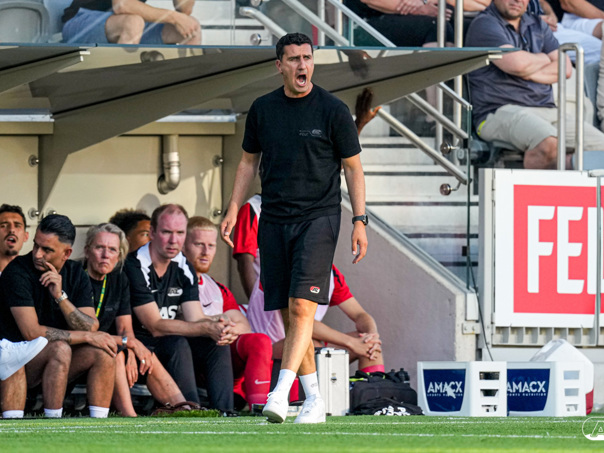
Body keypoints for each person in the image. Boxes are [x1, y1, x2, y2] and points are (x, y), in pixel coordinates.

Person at [220, 33, 368, 424]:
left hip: (319, 218)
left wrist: (359, 220)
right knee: (289, 314)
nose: (302, 65)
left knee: (303, 306)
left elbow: (353, 168)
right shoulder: (263, 109)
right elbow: (248, 162)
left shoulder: (333, 110)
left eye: (307, 57)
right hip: (274, 218)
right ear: (279, 66)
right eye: (293, 59)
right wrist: (233, 207)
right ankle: (315, 399)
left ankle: (281, 392)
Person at [233, 197, 384, 374]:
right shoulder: (283, 267)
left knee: (368, 346)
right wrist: (351, 343)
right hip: (272, 344)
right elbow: (301, 320)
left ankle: (375, 390)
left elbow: (359, 314)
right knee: (313, 346)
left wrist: (372, 337)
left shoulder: (330, 272)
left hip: (305, 339)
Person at [123, 203, 237, 414]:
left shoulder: (183, 265)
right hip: (138, 347)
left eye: (180, 233)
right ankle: (191, 411)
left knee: (216, 342)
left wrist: (220, 326)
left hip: (171, 344)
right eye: (167, 232)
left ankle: (225, 412)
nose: (174, 240)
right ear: (152, 233)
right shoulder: (135, 265)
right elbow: (155, 326)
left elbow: (195, 318)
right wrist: (205, 327)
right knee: (177, 342)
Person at [0, 214, 116, 419]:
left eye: (47, 250)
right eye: (36, 245)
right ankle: (54, 420)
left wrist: (60, 297)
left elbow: (90, 325)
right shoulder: (17, 271)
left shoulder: (76, 273)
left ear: (66, 253)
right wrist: (87, 337)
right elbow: (31, 333)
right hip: (15, 361)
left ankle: (100, 423)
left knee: (103, 352)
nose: (37, 254)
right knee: (60, 348)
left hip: (57, 362)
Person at [465, 0, 604, 169]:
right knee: (548, 142)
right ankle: (549, 181)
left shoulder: (537, 23)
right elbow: (516, 65)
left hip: (546, 109)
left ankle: (567, 171)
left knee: (601, 151)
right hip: (498, 111)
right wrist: (545, 58)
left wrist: (526, 69)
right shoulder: (485, 24)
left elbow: (565, 69)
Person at [84, 222, 198, 416]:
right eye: (99, 248)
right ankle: (131, 416)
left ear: (119, 256)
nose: (105, 255)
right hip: (87, 346)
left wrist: (131, 349)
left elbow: (125, 329)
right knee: (118, 355)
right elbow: (87, 332)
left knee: (145, 354)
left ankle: (185, 410)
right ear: (87, 251)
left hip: (114, 343)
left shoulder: (119, 279)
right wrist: (128, 345)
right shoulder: (77, 275)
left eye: (112, 250)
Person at [183, 216, 273, 410]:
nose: (206, 252)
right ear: (183, 245)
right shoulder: (173, 280)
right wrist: (219, 323)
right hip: (188, 352)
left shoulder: (217, 288)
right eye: (199, 244)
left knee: (259, 341)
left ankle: (259, 407)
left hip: (220, 352)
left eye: (211, 245)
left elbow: (244, 325)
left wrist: (227, 329)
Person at [61, 0, 201, 45]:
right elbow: (122, 5)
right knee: (133, 22)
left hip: (125, 24)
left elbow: (185, 10)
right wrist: (174, 17)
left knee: (192, 28)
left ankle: (187, 91)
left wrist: (180, 18)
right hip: (81, 21)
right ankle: (119, 90)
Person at [0, 204, 29, 275]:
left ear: (26, 236)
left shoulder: (34, 277)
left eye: (17, 226)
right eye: (4, 225)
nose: (11, 230)